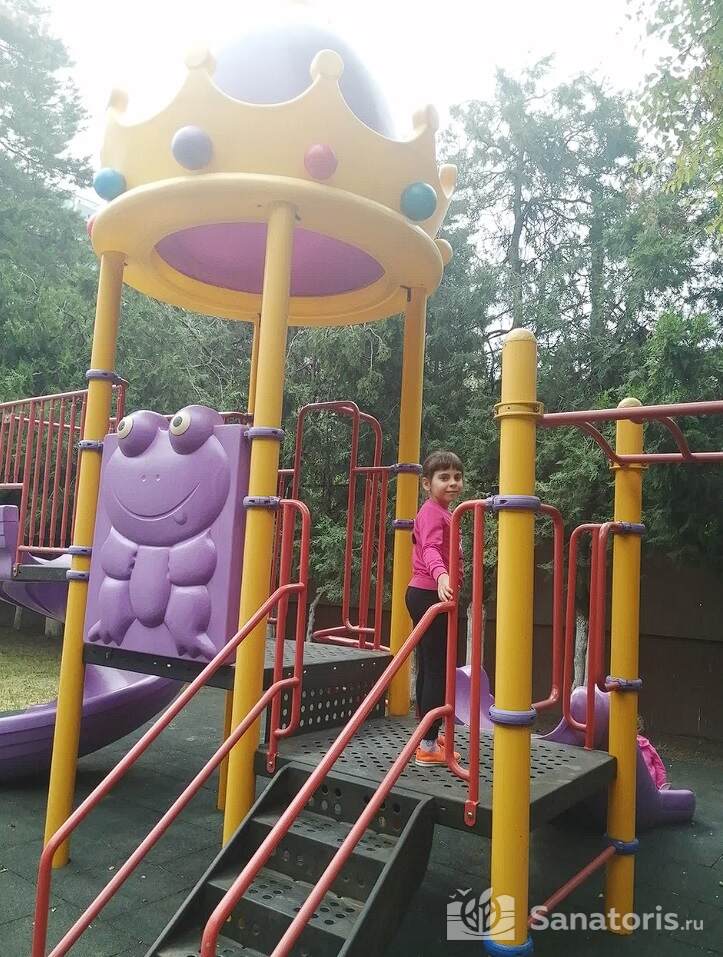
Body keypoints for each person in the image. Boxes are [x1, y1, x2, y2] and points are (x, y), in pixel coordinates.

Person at [406, 450, 464, 766]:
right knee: (437, 668)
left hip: (425, 593)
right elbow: (429, 548)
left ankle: (426, 733)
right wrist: (442, 576)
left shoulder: (442, 511)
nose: (452, 483)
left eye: (457, 477)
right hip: (430, 593)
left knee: (430, 666)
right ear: (427, 484)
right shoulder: (431, 512)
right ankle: (428, 745)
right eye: (444, 477)